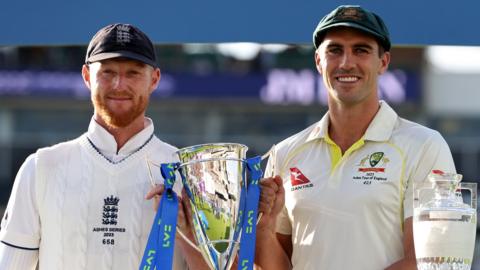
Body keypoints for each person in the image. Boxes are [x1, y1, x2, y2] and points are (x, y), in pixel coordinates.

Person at [255, 5, 456, 270]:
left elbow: (426, 261)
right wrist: (263, 230)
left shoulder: (425, 146)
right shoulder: (285, 153)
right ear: (318, 61)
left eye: (361, 50)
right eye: (335, 50)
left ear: (383, 62)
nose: (346, 62)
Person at [0, 23, 206, 270]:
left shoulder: (190, 175)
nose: (119, 85)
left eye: (133, 73)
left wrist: (188, 234)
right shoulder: (40, 167)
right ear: (87, 76)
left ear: (154, 79)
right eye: (107, 72)